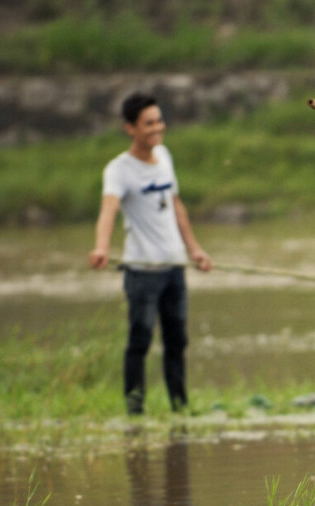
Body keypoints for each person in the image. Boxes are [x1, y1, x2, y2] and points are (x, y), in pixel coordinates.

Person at [89, 92, 213, 416]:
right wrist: (102, 246)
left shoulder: (165, 156)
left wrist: (195, 250)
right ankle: (135, 409)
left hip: (174, 266)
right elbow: (108, 211)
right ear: (130, 128)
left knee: (177, 341)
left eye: (159, 121)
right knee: (140, 341)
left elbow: (175, 205)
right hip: (142, 270)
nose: (157, 128)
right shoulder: (119, 170)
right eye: (149, 123)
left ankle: (180, 406)